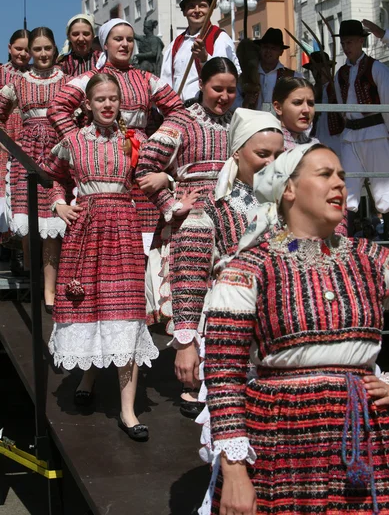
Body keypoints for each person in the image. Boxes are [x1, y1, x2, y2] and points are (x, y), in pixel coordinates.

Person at [201, 144, 389, 515]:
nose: (339, 184)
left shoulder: (372, 258)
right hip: (281, 437)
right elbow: (223, 373)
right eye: (325, 175)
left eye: (341, 175)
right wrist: (235, 470)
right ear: (288, 189)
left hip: (365, 436)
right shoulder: (250, 267)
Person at [43, 73, 158, 441]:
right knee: (87, 305)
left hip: (123, 229)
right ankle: (89, 375)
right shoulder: (72, 141)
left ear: (120, 103)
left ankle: (128, 411)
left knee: (124, 313)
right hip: (85, 230)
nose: (107, 105)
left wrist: (170, 190)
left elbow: (155, 176)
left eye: (113, 99)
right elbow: (52, 178)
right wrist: (59, 204)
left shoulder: (134, 140)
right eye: (100, 99)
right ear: (87, 105)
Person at [171, 109, 283, 418]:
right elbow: (188, 277)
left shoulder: (293, 204)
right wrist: (186, 343)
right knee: (234, 424)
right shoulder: (211, 209)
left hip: (286, 336)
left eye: (279, 154)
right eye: (263, 153)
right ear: (237, 151)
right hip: (232, 337)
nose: (272, 162)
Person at [48, 18, 186, 239]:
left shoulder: (146, 78)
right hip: (101, 156)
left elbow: (178, 110)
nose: (125, 44)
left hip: (140, 158)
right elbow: (57, 108)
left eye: (130, 39)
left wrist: (157, 143)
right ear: (105, 44)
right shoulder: (92, 78)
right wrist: (78, 141)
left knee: (144, 232)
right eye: (118, 39)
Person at [136, 57, 238, 330]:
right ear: (202, 84)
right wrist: (171, 204)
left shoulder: (240, 121)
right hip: (192, 218)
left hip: (234, 218)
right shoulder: (182, 120)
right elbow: (145, 167)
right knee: (190, 297)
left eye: (231, 90)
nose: (225, 96)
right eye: (218, 88)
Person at [0, 27, 67, 310]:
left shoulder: (69, 80)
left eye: (46, 48)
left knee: (52, 225)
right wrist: (7, 146)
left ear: (54, 50)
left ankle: (49, 292)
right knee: (29, 225)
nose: (41, 54)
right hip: (26, 153)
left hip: (56, 152)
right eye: (36, 49)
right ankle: (32, 278)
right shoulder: (17, 82)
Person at [334, 19, 389, 238]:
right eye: (343, 43)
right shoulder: (341, 74)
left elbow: (387, 103)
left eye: (350, 42)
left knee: (383, 187)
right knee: (348, 189)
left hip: (375, 133)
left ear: (360, 41)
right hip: (350, 135)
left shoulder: (377, 68)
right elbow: (340, 106)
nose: (346, 47)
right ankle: (346, 242)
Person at [160, 0, 240, 102]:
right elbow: (166, 80)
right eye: (191, 6)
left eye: (202, 6)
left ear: (210, 10)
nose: (197, 10)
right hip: (179, 111)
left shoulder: (220, 38)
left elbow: (227, 77)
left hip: (206, 110)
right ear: (184, 12)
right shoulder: (175, 44)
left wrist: (205, 59)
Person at [0, 29, 30, 264]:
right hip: (3, 139)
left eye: (26, 49)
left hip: (27, 141)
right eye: (18, 48)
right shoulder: (0, 72)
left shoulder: (34, 75)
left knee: (22, 196)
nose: (23, 53)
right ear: (9, 47)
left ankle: (23, 256)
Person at [235, 28, 303, 111]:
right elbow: (232, 103)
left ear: (281, 52)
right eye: (265, 47)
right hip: (253, 122)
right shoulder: (245, 77)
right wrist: (244, 102)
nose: (268, 51)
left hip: (279, 123)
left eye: (273, 48)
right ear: (260, 49)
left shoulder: (293, 77)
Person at [302, 50, 343, 155]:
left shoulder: (337, 86)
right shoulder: (311, 90)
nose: (316, 72)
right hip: (317, 134)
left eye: (320, 68)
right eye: (314, 69)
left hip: (336, 135)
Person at [272, 77, 318, 149]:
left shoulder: (315, 146)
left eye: (310, 103)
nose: (306, 110)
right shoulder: (270, 145)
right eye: (297, 103)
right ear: (278, 107)